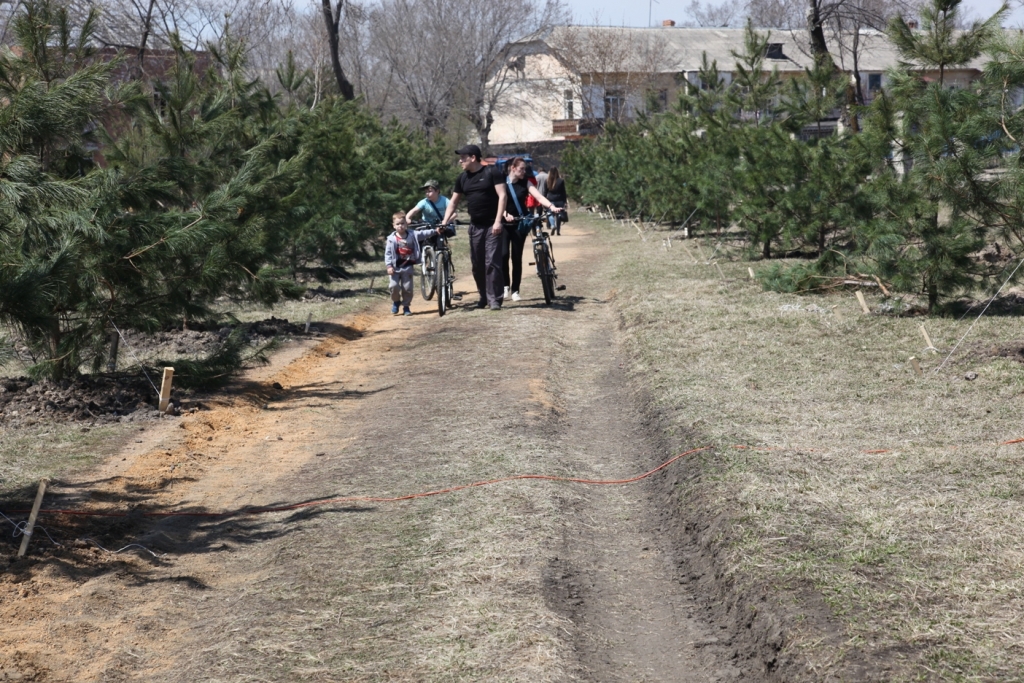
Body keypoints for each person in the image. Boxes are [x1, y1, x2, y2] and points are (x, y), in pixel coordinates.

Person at [440, 144, 508, 310]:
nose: (460, 160)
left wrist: (498, 221)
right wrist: (444, 221)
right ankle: (483, 296)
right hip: (475, 226)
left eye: (463, 157)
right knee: (477, 264)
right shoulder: (463, 178)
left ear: (473, 157)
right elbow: (454, 202)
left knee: (492, 262)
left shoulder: (492, 172)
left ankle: (495, 300)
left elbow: (503, 195)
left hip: (493, 224)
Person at [502, 157, 564, 302]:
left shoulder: (526, 183)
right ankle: (505, 286)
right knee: (503, 255)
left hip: (520, 223)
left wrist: (552, 207)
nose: (525, 171)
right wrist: (505, 214)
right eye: (522, 169)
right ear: (513, 168)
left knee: (516, 257)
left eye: (525, 169)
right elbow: (494, 202)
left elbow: (539, 197)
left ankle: (515, 290)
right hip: (504, 223)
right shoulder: (502, 183)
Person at [385, 212, 441, 315]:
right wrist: (389, 266)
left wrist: (435, 231)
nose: (400, 226)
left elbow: (424, 233)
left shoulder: (413, 235)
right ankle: (396, 302)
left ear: (406, 224)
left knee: (407, 288)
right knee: (394, 286)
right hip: (395, 268)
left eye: (402, 223)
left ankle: (406, 306)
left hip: (407, 267)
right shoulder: (391, 239)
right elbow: (388, 253)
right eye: (397, 224)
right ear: (393, 226)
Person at [544, 166, 568, 236]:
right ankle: (558, 230)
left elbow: (545, 192)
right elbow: (563, 192)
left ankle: (552, 225)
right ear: (557, 172)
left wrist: (544, 200)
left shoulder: (547, 181)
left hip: (550, 200)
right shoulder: (561, 181)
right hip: (560, 200)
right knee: (559, 215)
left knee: (550, 213)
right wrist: (565, 201)